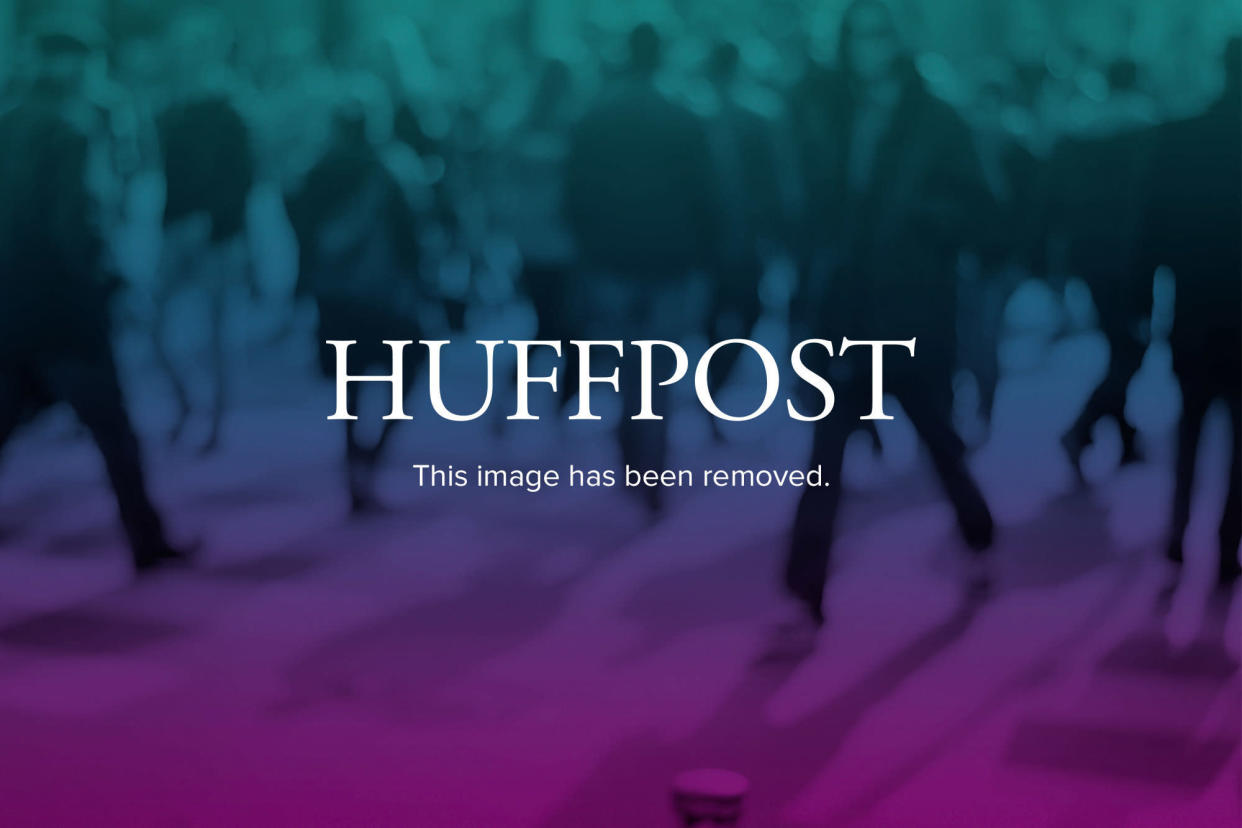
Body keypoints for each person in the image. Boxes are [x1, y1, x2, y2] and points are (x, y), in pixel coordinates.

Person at [779, 0, 995, 651]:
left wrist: (921, 221)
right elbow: (811, 202)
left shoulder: (938, 116)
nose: (863, 47)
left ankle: (979, 534)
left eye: (876, 34)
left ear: (898, 41)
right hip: (846, 309)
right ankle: (802, 595)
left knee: (936, 437)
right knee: (825, 455)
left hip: (911, 310)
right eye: (854, 35)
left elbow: (982, 210)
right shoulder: (828, 110)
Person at [0, 23, 184, 574]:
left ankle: (148, 537)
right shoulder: (72, 133)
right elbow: (75, 226)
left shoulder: (6, 123)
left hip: (10, 305)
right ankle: (146, 541)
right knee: (113, 429)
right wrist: (110, 282)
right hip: (65, 311)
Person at [563, 23, 719, 514]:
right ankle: (650, 464)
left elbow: (574, 196)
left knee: (628, 365)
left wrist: (586, 251)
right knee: (658, 370)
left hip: (611, 262)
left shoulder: (594, 119)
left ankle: (635, 455)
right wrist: (706, 258)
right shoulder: (684, 119)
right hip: (669, 264)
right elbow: (708, 198)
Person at [286, 102, 424, 514]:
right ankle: (372, 457)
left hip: (333, 296)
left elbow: (302, 235)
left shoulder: (315, 173)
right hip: (381, 296)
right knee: (409, 369)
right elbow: (410, 239)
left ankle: (353, 471)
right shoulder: (387, 173)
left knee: (350, 388)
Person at [1140, 38, 1242, 586]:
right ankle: (1229, 545)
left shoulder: (1182, 138)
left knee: (1190, 429)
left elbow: (1153, 230)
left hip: (1196, 312)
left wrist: (1143, 300)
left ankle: (1176, 536)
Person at [153, 13, 255, 454]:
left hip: (217, 235)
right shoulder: (171, 107)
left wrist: (214, 225)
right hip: (176, 231)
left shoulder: (229, 108)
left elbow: (242, 178)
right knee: (154, 324)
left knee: (216, 334)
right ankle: (187, 404)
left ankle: (215, 422)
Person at [702, 41, 785, 437]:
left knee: (720, 316)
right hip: (737, 240)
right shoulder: (756, 116)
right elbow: (775, 185)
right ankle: (713, 385)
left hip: (715, 241)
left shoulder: (703, 113)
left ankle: (711, 385)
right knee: (743, 313)